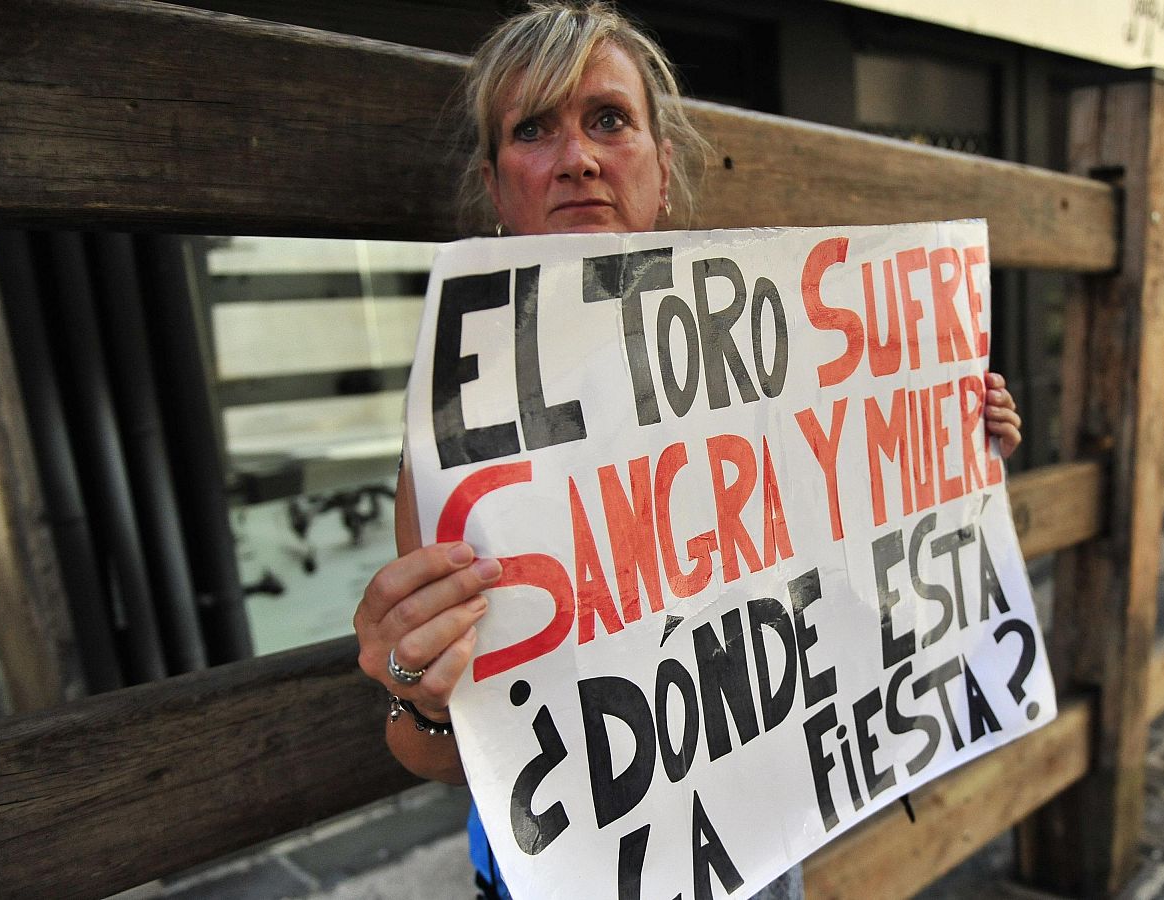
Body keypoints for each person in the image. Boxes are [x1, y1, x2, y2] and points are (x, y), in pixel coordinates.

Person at [352, 3, 1023, 897]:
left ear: (662, 169)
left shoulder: (774, 367)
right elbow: (440, 753)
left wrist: (948, 457)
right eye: (534, 130)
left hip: (757, 843)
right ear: (497, 184)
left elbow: (856, 584)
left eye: (608, 119)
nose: (578, 158)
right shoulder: (459, 439)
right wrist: (420, 686)